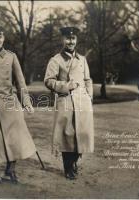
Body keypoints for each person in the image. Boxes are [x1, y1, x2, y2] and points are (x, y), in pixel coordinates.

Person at [0, 25, 36, 184]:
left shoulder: (11, 57)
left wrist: (26, 102)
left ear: (4, 38)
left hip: (10, 101)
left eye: (0, 37)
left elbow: (21, 82)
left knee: (14, 137)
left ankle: (11, 169)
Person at [44, 26, 94, 180]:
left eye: (73, 38)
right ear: (62, 40)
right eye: (67, 38)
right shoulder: (56, 60)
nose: (70, 41)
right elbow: (48, 81)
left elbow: (87, 79)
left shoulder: (82, 59)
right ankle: (68, 167)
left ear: (76, 40)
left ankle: (74, 161)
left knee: (82, 134)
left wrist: (89, 96)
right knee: (67, 135)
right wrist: (65, 86)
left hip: (82, 102)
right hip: (65, 100)